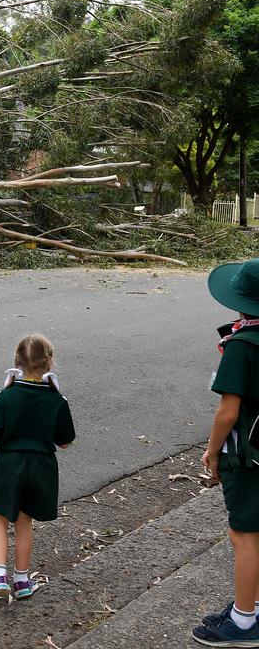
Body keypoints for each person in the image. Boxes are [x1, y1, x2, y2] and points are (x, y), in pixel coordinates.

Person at [0, 334, 75, 601]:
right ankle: (22, 580)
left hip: (10, 462)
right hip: (41, 465)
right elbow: (65, 442)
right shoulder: (57, 400)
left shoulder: (6, 396)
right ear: (49, 362)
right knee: (24, 520)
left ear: (16, 362)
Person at [192, 259, 259, 647]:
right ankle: (248, 607)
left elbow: (228, 412)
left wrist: (212, 452)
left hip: (247, 456)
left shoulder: (241, 346)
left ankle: (244, 622)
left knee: (244, 535)